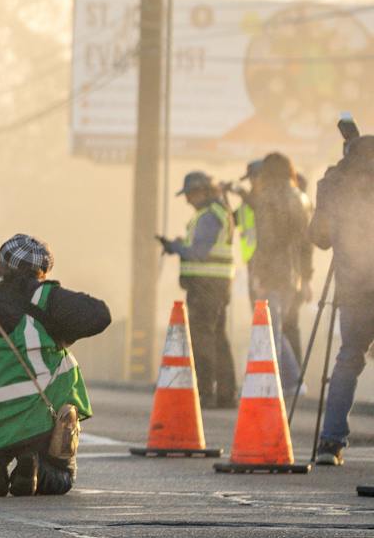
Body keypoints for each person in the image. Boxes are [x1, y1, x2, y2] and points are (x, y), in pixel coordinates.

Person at [0, 234, 111, 496]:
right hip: (37, 423)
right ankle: (36, 467)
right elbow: (100, 315)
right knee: (61, 479)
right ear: (41, 274)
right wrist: (54, 313)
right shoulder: (43, 299)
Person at [309, 135, 374, 465]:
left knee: (349, 357)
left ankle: (330, 443)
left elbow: (319, 239)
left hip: (353, 288)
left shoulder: (337, 183)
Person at [157, 171, 237, 408]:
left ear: (203, 191)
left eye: (190, 194)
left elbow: (199, 253)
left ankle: (206, 392)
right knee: (218, 338)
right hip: (217, 285)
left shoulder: (209, 216)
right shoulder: (217, 212)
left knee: (202, 338)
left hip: (206, 286)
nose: (188, 200)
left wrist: (176, 247)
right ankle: (225, 393)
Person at [242, 152, 312, 403]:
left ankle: (290, 380)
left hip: (272, 271)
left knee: (271, 327)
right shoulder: (299, 197)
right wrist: (307, 277)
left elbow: (266, 241)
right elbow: (306, 242)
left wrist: (259, 275)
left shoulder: (268, 198)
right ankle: (290, 380)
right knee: (278, 325)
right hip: (292, 274)